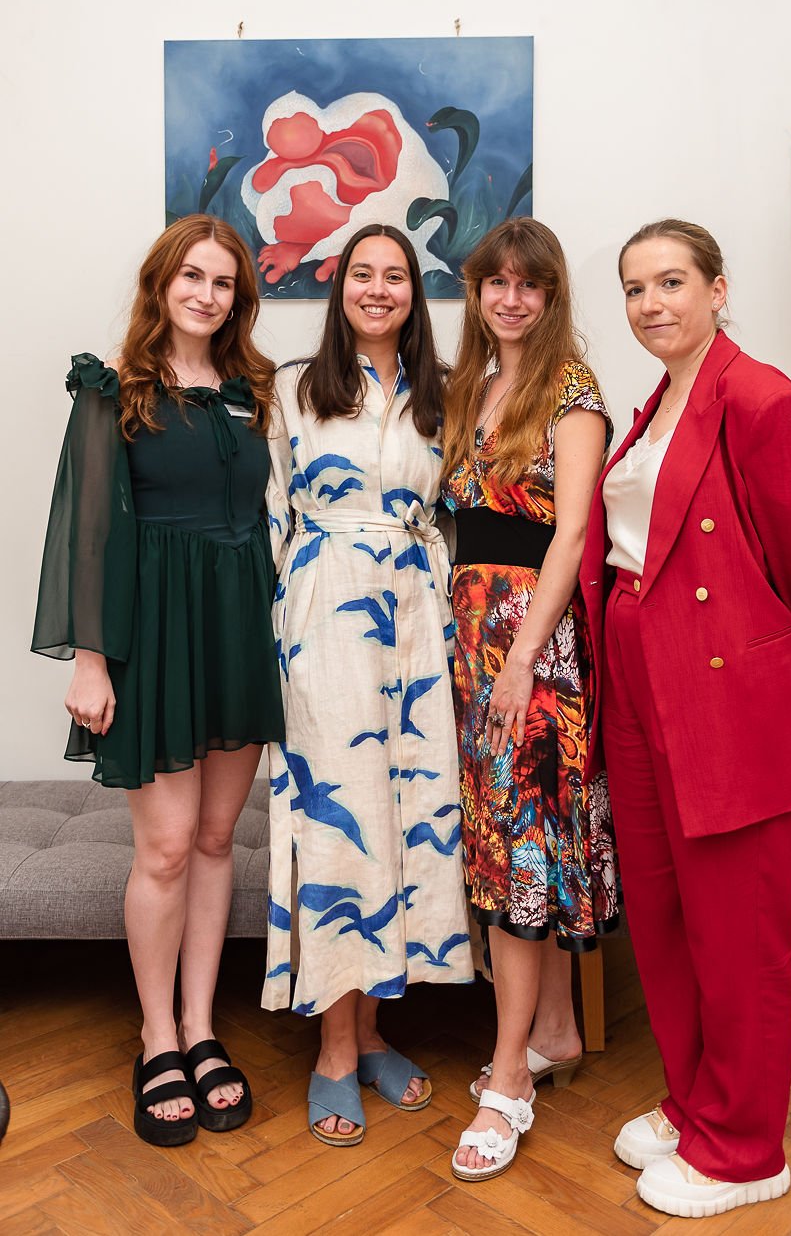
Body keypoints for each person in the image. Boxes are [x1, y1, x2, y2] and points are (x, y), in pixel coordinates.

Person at [580, 219, 791, 1218]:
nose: (652, 303)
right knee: (663, 913)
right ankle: (697, 1103)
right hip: (641, 676)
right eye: (634, 288)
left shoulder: (758, 396)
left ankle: (745, 1148)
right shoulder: (661, 400)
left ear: (716, 287)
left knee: (738, 928)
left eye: (670, 282)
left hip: (720, 691)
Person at [32, 215, 284, 1147]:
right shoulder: (114, 391)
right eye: (192, 277)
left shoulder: (254, 390)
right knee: (167, 848)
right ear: (162, 283)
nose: (205, 295)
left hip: (236, 631)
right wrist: (91, 659)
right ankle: (154, 1036)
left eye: (222, 283)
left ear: (237, 299)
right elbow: (86, 530)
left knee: (218, 839)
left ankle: (203, 1027)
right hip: (156, 636)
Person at [265, 223, 474, 1147]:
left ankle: (377, 1029)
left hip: (419, 626)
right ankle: (334, 1054)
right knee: (337, 820)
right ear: (337, 287)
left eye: (395, 275)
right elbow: (271, 516)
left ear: (413, 292)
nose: (379, 289)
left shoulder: (444, 399)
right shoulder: (288, 391)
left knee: (406, 817)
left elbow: (458, 522)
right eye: (362, 274)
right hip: (323, 619)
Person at [441, 217, 617, 1182]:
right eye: (496, 283)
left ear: (550, 297)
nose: (511, 298)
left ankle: (508, 1080)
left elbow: (571, 533)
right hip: (471, 641)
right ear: (476, 292)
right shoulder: (471, 387)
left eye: (530, 285)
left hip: (531, 649)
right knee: (520, 841)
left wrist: (522, 656)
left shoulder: (569, 390)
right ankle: (554, 1031)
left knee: (519, 846)